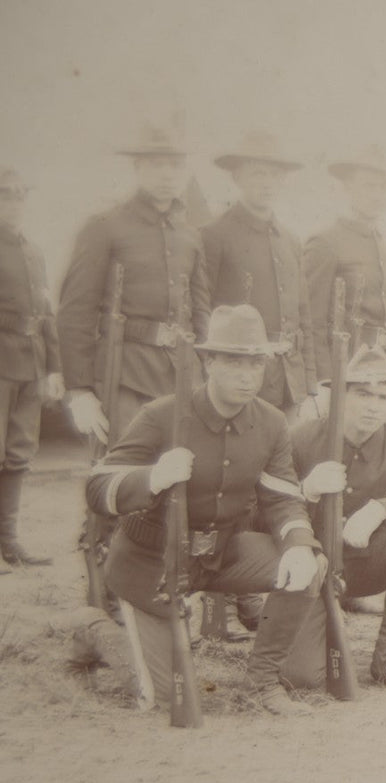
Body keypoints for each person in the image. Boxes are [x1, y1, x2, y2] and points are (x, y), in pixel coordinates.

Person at [85, 305, 322, 715]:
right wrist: (152, 478)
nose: (248, 375)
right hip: (151, 563)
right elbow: (98, 485)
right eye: (234, 361)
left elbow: (283, 497)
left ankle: (260, 683)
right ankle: (89, 629)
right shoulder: (162, 414)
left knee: (310, 565)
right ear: (208, 361)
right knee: (161, 699)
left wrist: (299, 543)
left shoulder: (270, 423)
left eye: (256, 363)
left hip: (219, 554)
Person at [288, 347, 386, 689]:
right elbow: (263, 512)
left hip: (366, 566)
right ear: (340, 396)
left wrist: (381, 509)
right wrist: (307, 491)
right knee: (303, 677)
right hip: (313, 568)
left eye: (384, 397)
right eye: (363, 394)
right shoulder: (302, 439)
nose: (374, 406)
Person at [58, 120, 211, 448]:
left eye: (175, 165)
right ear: (138, 168)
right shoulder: (105, 227)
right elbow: (75, 312)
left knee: (182, 478)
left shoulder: (190, 235)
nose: (167, 174)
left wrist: (206, 371)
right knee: (123, 476)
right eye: (157, 164)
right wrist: (80, 391)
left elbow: (201, 312)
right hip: (125, 376)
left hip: (183, 375)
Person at [202, 131, 315, 418]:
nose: (267, 183)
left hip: (290, 381)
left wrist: (311, 385)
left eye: (275, 175)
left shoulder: (289, 240)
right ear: (237, 178)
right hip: (241, 381)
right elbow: (201, 311)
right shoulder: (215, 235)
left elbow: (303, 317)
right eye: (258, 174)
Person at [0, 167, 64, 569]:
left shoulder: (33, 250)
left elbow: (45, 312)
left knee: (19, 453)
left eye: (21, 196)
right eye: (7, 194)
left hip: (30, 362)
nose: (15, 203)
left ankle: (8, 541)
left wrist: (54, 367)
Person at [303, 146, 386, 380]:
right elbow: (312, 322)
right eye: (369, 186)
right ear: (348, 188)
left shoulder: (385, 248)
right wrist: (323, 381)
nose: (377, 195)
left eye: (383, 187)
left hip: (383, 366)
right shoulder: (326, 242)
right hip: (345, 367)